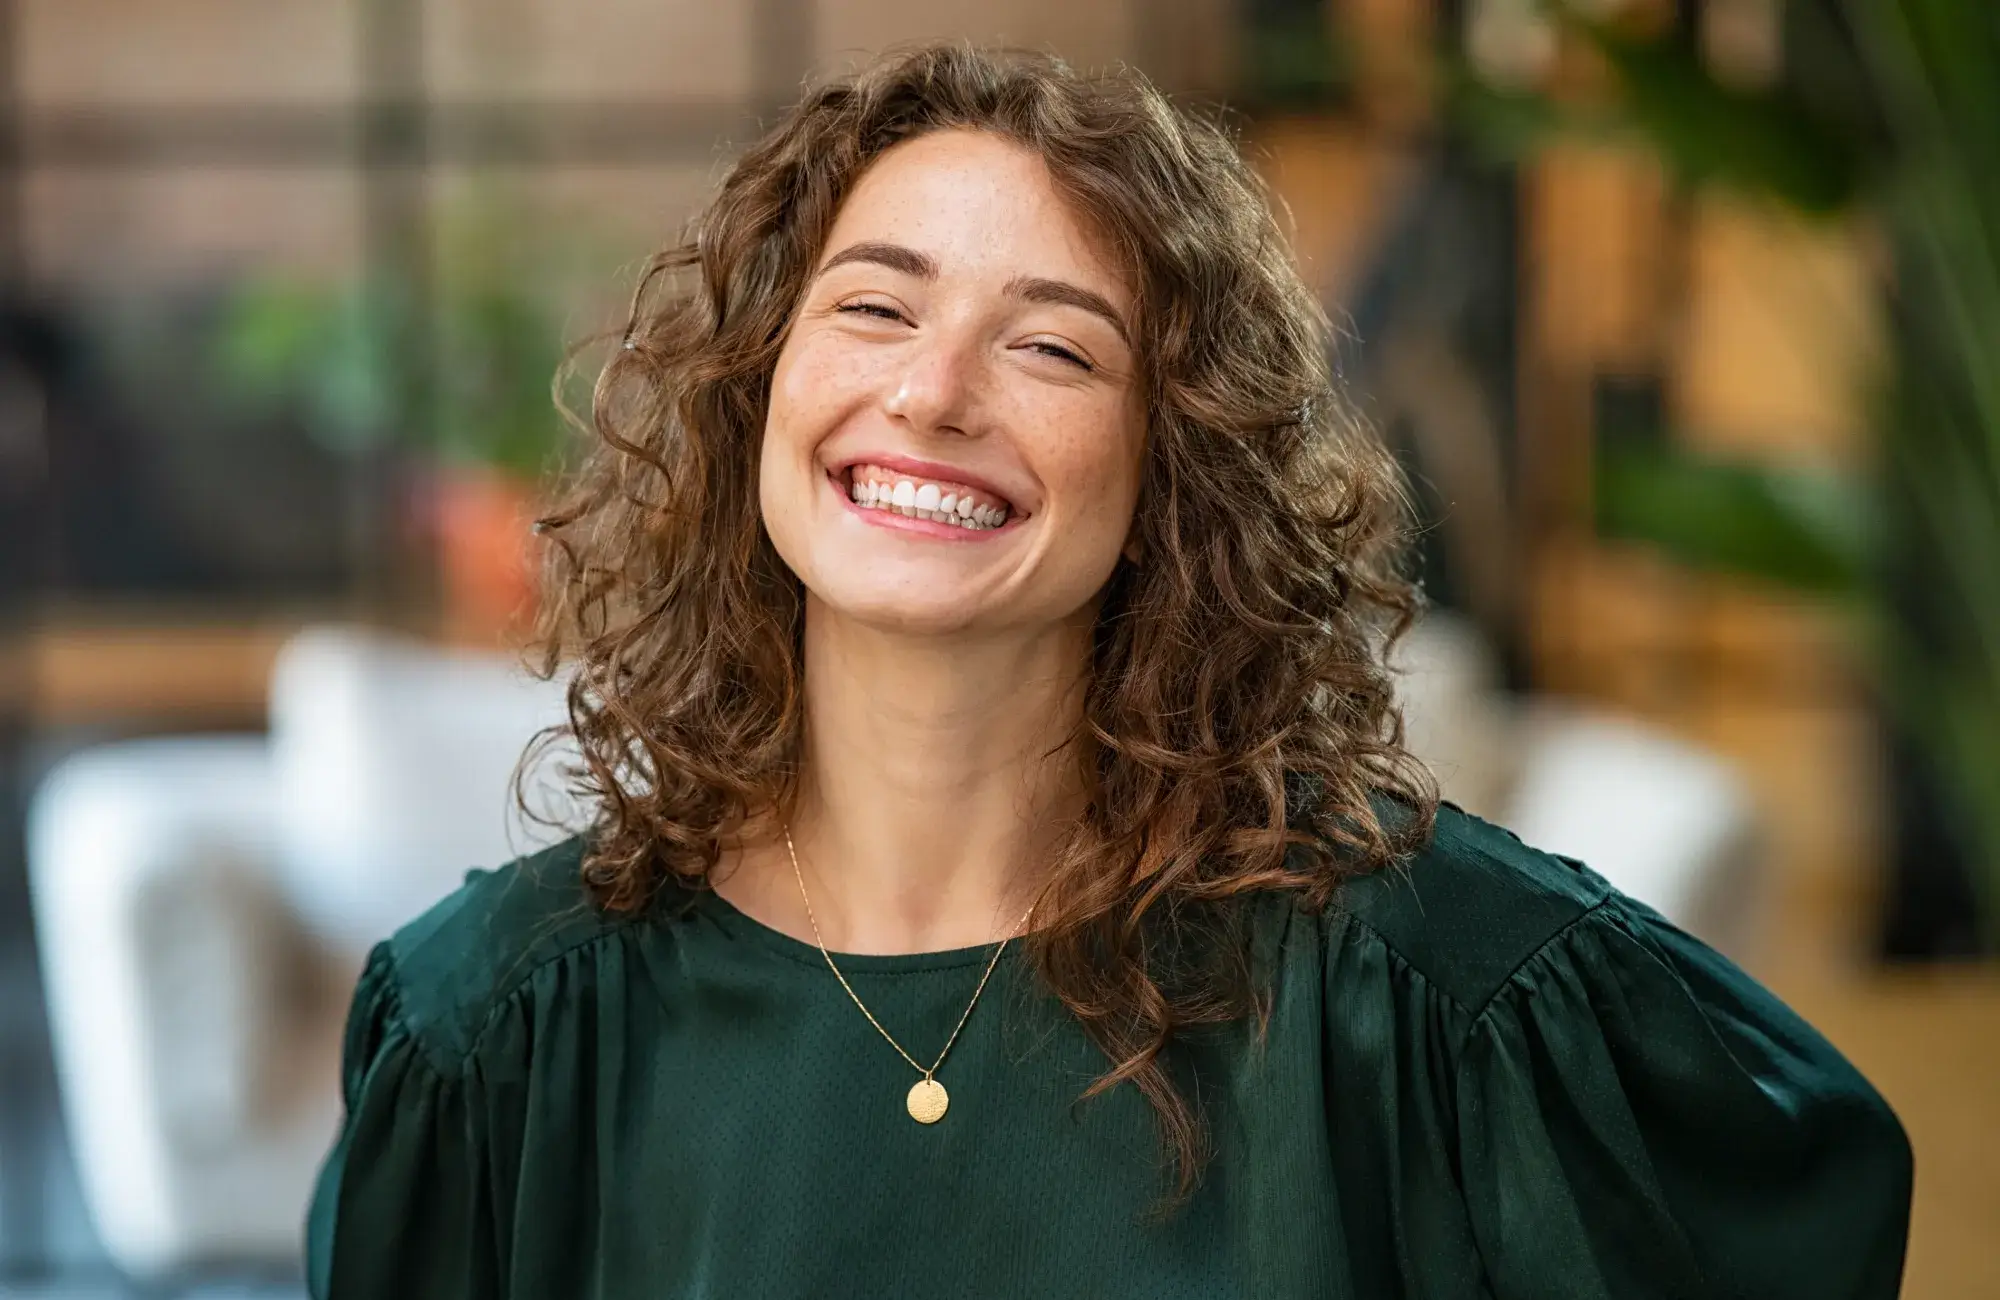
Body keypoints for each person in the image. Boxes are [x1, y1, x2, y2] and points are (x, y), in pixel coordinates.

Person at [305, 44, 1913, 1299]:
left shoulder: (1427, 990)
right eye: (873, 307)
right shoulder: (494, 1037)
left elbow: (1810, 1203)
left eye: (1054, 343)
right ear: (757, 387)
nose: (933, 392)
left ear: (1174, 469)